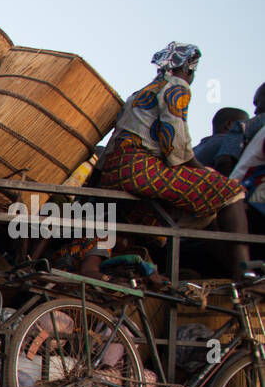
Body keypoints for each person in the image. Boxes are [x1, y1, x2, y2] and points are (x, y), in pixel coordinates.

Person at [97, 43, 250, 277]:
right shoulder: (177, 87)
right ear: (189, 70)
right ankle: (243, 270)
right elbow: (175, 141)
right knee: (231, 191)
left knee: (207, 214)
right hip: (141, 169)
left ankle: (230, 274)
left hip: (115, 171)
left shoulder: (139, 93)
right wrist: (204, 171)